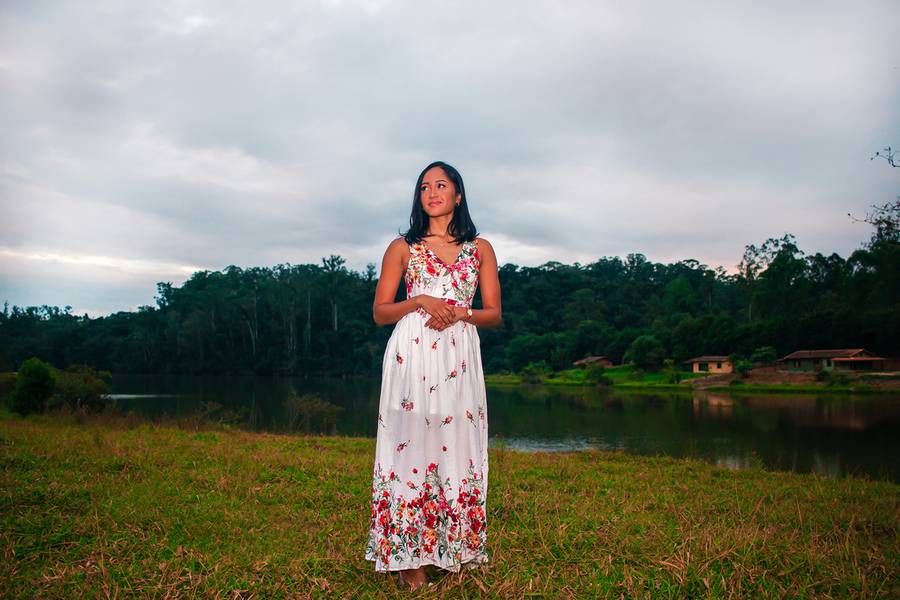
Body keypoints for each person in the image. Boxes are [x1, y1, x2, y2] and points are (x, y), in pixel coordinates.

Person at [364, 161, 502, 590]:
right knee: (410, 446)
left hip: (459, 354)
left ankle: (453, 546)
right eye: (425, 186)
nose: (432, 192)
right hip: (413, 354)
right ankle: (409, 560)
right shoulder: (401, 247)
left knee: (456, 445)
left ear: (458, 195)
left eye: (441, 185)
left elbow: (494, 314)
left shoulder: (480, 248)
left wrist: (461, 312)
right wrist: (419, 299)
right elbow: (380, 312)